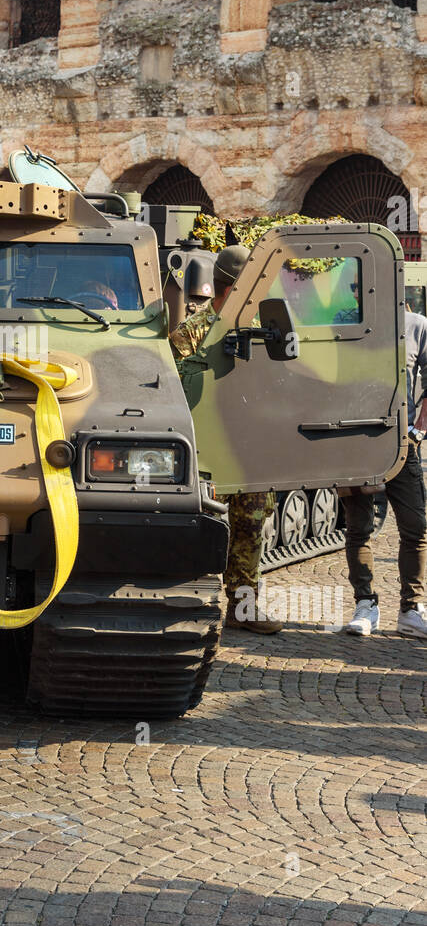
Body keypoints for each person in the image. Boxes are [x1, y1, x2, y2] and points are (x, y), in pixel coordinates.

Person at [169, 243, 280, 635]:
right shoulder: (191, 333)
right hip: (207, 452)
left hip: (249, 451)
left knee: (251, 527)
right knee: (203, 527)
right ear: (233, 286)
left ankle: (243, 609)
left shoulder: (264, 331)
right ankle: (190, 602)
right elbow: (176, 393)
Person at [344, 307, 427, 639]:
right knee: (358, 528)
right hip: (353, 440)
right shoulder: (346, 320)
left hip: (400, 442)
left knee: (416, 526)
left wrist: (419, 431)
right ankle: (366, 604)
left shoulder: (417, 325)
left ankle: (411, 608)